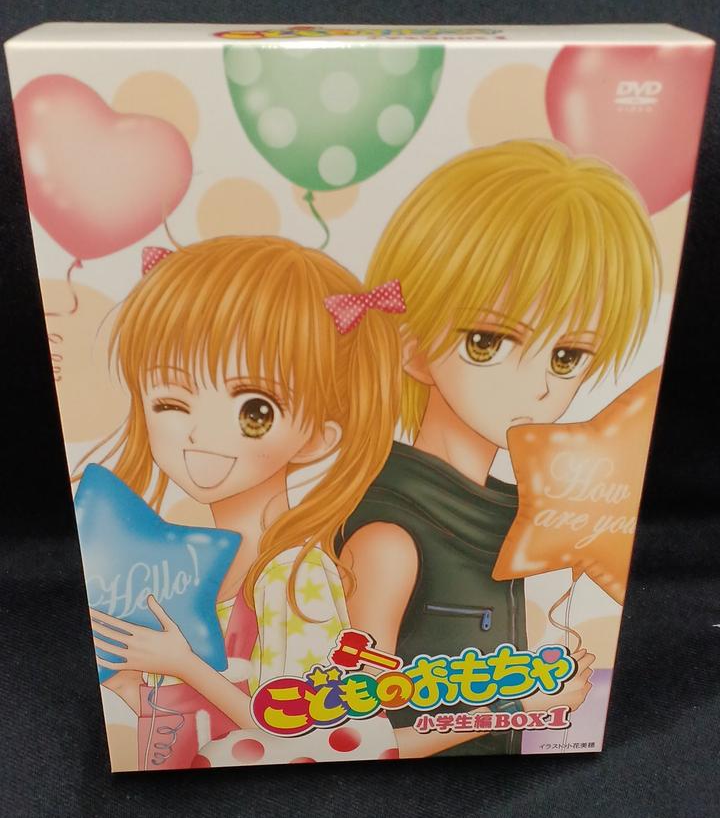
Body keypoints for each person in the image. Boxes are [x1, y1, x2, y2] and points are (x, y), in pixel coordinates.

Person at [340, 141, 659, 757]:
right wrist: (522, 704)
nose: (537, 385)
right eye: (487, 342)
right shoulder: (389, 539)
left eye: (566, 356)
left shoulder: (515, 517)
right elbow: (357, 740)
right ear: (412, 347)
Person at [84, 235, 403, 768]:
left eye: (255, 411)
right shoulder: (178, 571)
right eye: (171, 401)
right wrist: (125, 683)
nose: (198, 434)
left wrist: (183, 664)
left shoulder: (292, 573)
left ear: (318, 437)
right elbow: (181, 723)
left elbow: (301, 725)